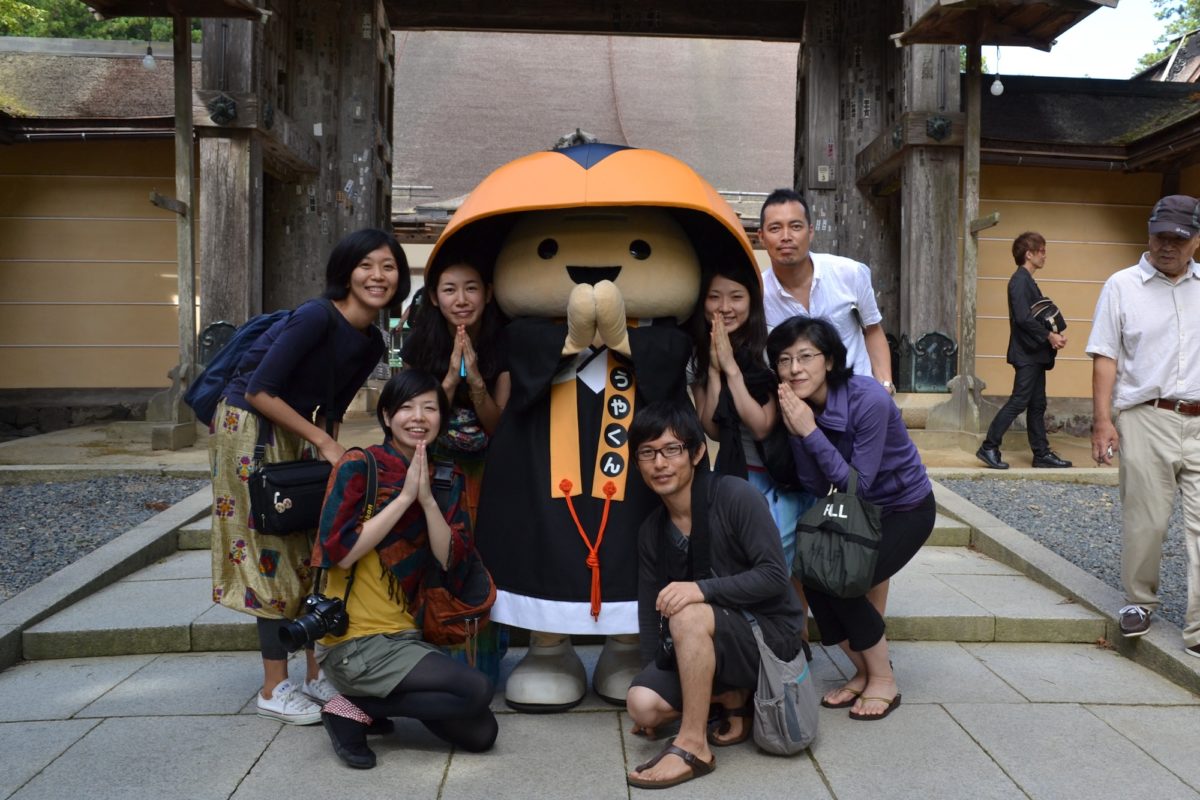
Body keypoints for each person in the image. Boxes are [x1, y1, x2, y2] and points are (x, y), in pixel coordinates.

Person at [208, 228, 407, 725]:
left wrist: (332, 465)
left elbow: (333, 408)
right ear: (346, 271)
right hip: (251, 429)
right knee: (271, 550)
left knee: (314, 549)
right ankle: (274, 687)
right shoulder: (316, 316)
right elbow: (258, 390)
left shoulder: (371, 341)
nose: (377, 276)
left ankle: (318, 672)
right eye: (366, 265)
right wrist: (324, 444)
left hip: (300, 432)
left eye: (387, 266)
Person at [312, 369, 498, 768]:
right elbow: (340, 553)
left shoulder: (445, 477)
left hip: (408, 636)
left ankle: (362, 707)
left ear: (441, 419)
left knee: (482, 734)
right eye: (406, 407)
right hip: (356, 641)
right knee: (477, 690)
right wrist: (403, 499)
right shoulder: (360, 466)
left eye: (430, 408)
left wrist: (427, 500)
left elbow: (450, 559)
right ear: (386, 416)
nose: (418, 417)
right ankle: (350, 706)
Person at [624, 400, 805, 789]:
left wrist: (701, 590)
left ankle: (694, 746)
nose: (660, 463)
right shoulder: (652, 530)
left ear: (696, 453)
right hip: (708, 639)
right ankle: (730, 697)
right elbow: (649, 611)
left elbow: (775, 576)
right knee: (642, 704)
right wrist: (650, 672)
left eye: (672, 449)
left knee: (688, 612)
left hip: (768, 636)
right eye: (647, 453)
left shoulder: (735, 496)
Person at [768, 316, 935, 721]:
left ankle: (883, 679)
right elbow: (814, 483)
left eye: (806, 357)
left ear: (829, 361)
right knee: (815, 576)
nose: (794, 369)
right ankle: (863, 671)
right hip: (853, 512)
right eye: (784, 360)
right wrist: (799, 432)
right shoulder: (799, 408)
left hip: (903, 509)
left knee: (844, 582)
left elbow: (856, 486)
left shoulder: (868, 399)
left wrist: (809, 431)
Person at [1086, 194, 1200, 654]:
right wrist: (1102, 422)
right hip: (1146, 415)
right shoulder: (1122, 285)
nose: (1167, 245)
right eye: (1160, 236)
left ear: (1196, 241)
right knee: (1146, 520)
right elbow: (1105, 355)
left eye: (1178, 238)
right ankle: (1139, 601)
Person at [399, 249, 512, 679]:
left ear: (488, 293)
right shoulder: (420, 342)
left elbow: (498, 425)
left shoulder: (503, 342)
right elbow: (417, 421)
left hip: (487, 469)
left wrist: (477, 380)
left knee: (482, 557)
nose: (461, 299)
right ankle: (437, 658)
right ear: (434, 296)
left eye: (471, 288)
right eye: (449, 290)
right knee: (437, 557)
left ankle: (484, 660)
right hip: (435, 465)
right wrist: (449, 378)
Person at [689, 266, 813, 567]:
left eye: (736, 297)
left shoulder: (772, 347)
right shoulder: (697, 353)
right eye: (714, 297)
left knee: (772, 564)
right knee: (736, 561)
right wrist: (714, 371)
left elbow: (761, 426)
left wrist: (731, 368)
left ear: (752, 301)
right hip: (732, 474)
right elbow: (712, 429)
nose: (725, 307)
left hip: (778, 477)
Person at [757, 188, 895, 394]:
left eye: (795, 226)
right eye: (775, 228)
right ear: (761, 236)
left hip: (856, 395)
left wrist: (885, 386)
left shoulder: (850, 273)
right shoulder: (757, 292)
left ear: (810, 231)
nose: (786, 236)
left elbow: (873, 330)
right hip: (797, 402)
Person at [976, 231, 1071, 470]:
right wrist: (1049, 335)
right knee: (1019, 401)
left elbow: (1034, 317)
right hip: (1027, 353)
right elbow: (1022, 318)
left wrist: (1053, 335)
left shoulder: (1026, 280)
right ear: (1029, 254)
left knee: (1037, 405)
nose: (1045, 256)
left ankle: (1041, 454)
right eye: (1042, 251)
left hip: (1035, 353)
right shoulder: (1019, 280)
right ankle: (989, 446)